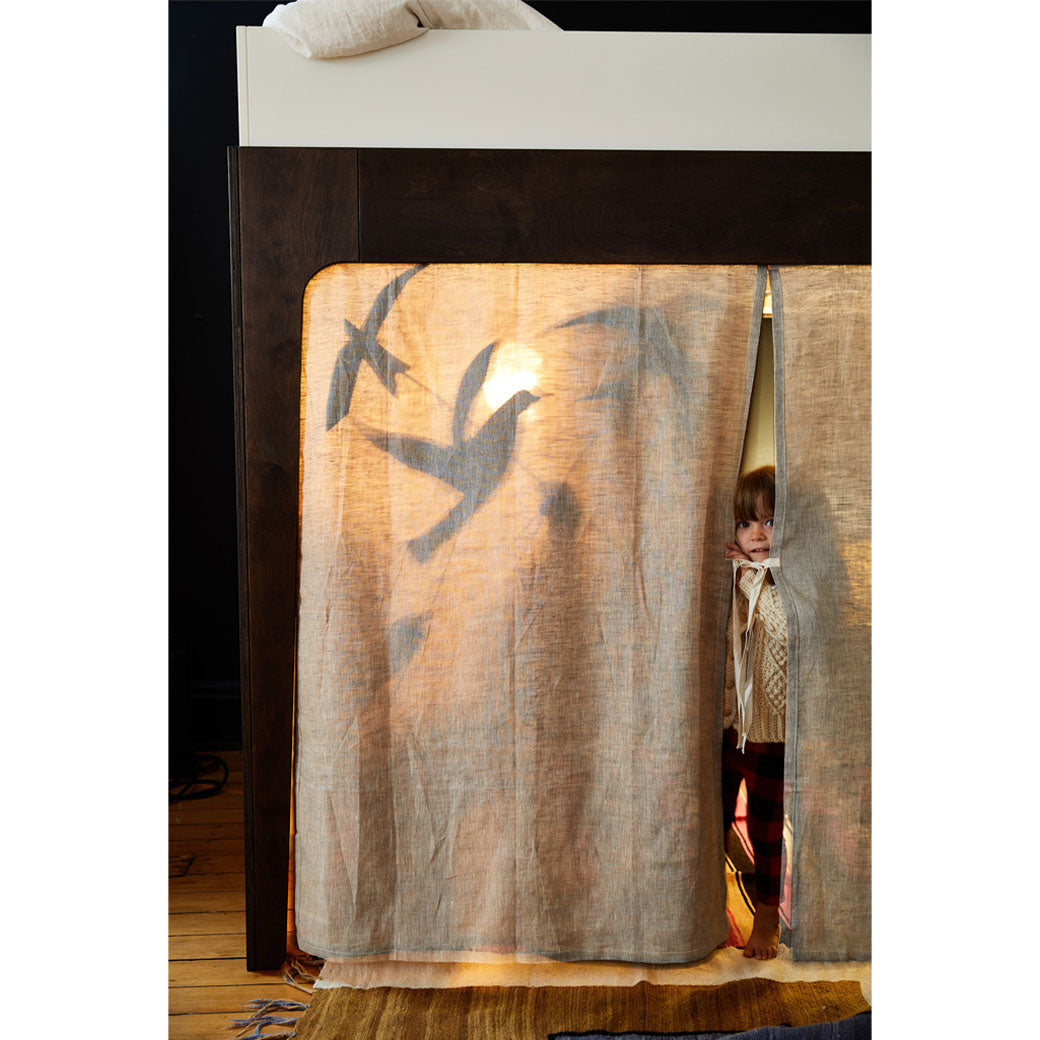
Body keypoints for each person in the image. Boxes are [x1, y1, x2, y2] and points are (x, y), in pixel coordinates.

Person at [722, 465, 787, 960]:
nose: (757, 535)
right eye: (746, 524)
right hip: (727, 727)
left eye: (769, 521)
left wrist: (751, 580)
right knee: (713, 819)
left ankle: (766, 916)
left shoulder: (782, 583)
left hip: (767, 735)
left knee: (765, 829)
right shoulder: (732, 576)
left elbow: (782, 629)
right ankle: (710, 901)